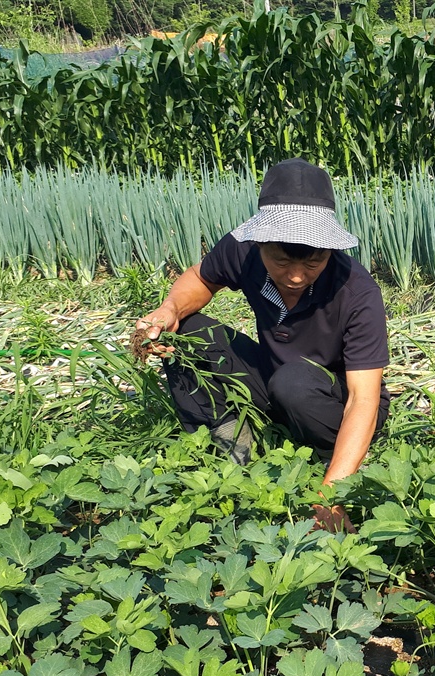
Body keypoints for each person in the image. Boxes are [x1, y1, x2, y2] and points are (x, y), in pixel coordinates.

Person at [134, 158, 390, 532]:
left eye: (314, 262)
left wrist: (330, 495)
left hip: (334, 404)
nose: (297, 276)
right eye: (281, 260)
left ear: (329, 251)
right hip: (276, 379)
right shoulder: (244, 252)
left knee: (295, 383)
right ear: (259, 242)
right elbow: (199, 279)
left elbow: (363, 398)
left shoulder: (357, 291)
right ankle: (233, 447)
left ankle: (334, 463)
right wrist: (169, 309)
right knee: (186, 332)